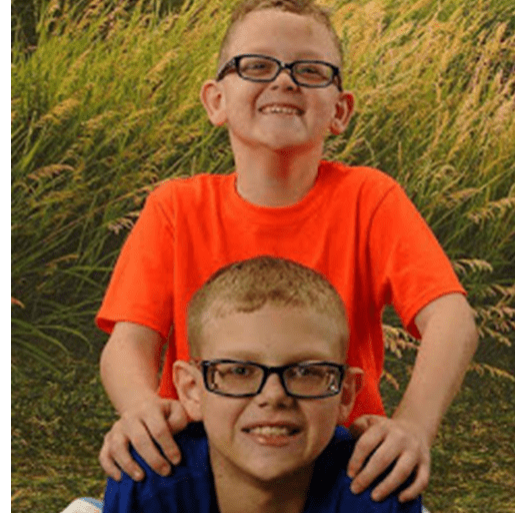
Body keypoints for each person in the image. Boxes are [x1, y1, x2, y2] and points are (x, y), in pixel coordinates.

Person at [97, 0, 478, 504]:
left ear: (340, 109)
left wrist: (411, 426)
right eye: (256, 66)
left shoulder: (370, 199)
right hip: (206, 446)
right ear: (215, 101)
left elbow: (453, 321)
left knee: (387, 493)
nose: (284, 81)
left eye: (310, 70)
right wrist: (141, 407)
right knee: (145, 478)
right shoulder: (176, 207)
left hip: (334, 447)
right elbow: (128, 344)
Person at [103, 256, 422, 512]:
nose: (274, 396)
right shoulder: (148, 476)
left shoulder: (379, 486)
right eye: (239, 371)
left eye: (307, 372)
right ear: (190, 390)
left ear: (345, 393)